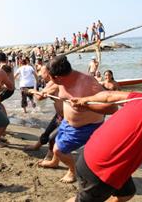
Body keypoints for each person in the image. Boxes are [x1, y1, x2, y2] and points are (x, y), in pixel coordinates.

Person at [67, 83, 142, 202]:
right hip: (101, 169)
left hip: (89, 154)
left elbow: (109, 96)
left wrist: (85, 100)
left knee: (126, 194)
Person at [38, 55, 117, 183]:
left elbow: (113, 108)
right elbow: (47, 90)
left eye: (50, 77)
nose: (49, 79)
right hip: (67, 122)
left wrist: (86, 106)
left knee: (59, 150)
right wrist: (43, 93)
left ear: (58, 77)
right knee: (54, 140)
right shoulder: (60, 80)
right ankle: (54, 162)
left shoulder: (89, 84)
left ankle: (73, 171)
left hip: (86, 126)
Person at [25, 65, 63, 160]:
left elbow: (39, 97)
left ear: (48, 73)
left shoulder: (54, 82)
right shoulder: (52, 82)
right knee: (48, 132)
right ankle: (37, 146)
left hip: (67, 116)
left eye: (42, 72)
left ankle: (50, 155)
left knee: (52, 137)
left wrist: (32, 91)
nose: (40, 75)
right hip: (59, 114)